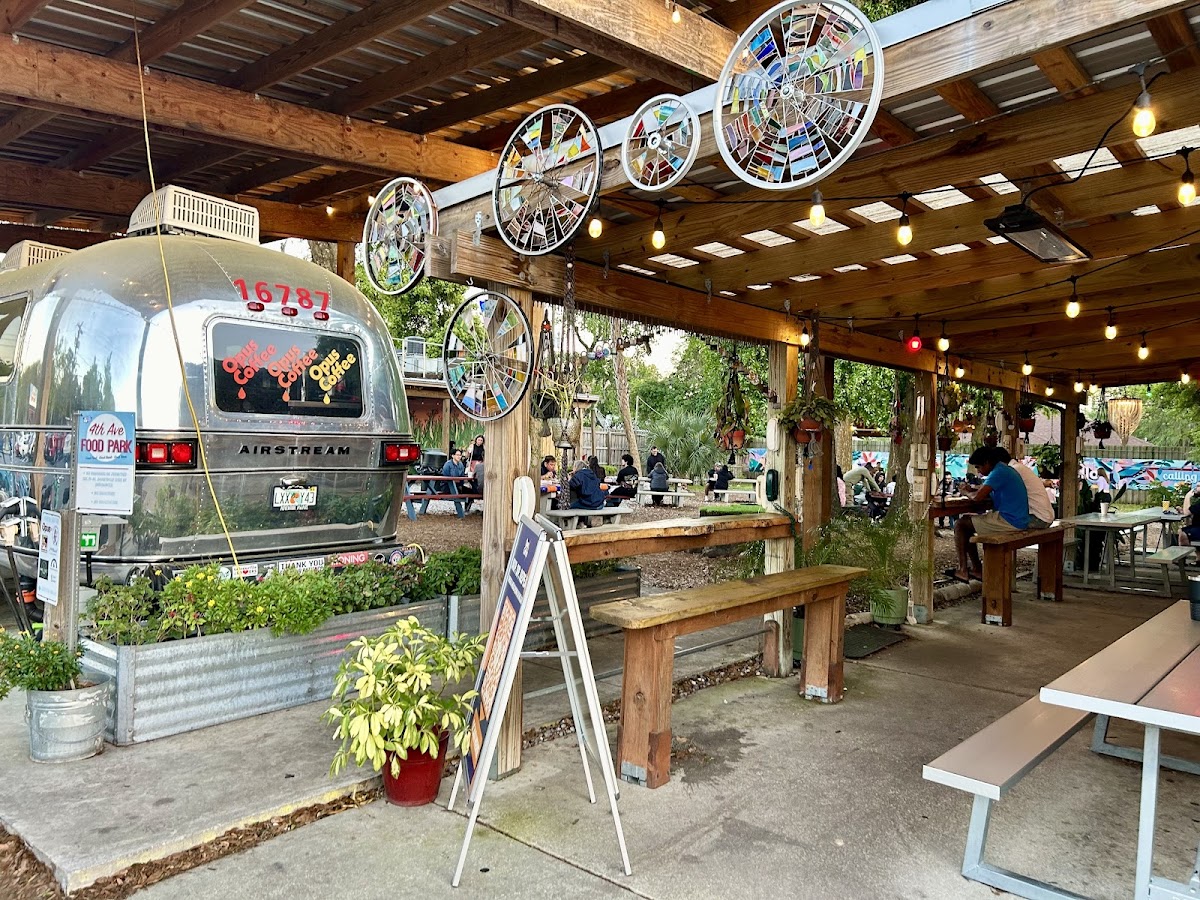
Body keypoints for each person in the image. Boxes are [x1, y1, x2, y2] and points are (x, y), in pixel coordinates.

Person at [950, 446, 1030, 583]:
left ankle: (964, 570)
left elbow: (978, 498)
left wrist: (966, 492)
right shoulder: (1004, 470)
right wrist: (973, 489)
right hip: (1018, 518)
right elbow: (986, 490)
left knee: (960, 525)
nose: (978, 471)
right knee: (967, 523)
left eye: (978, 467)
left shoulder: (998, 472)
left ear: (987, 463)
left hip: (1010, 520)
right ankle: (976, 569)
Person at [994, 447, 1055, 529]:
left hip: (1037, 518)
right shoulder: (1019, 467)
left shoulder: (1013, 470)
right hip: (1045, 516)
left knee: (996, 525)